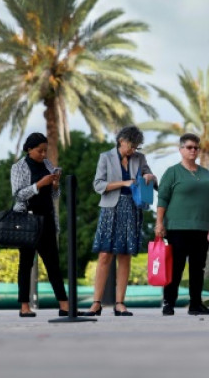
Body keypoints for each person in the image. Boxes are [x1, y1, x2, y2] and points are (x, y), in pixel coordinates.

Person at [86, 125, 156, 317]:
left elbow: (153, 180)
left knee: (125, 256)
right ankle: (96, 303)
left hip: (132, 209)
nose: (133, 150)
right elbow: (98, 185)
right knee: (104, 255)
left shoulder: (139, 158)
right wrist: (123, 183)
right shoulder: (105, 157)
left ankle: (120, 303)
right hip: (111, 209)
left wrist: (150, 176)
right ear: (121, 141)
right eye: (131, 146)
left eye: (136, 147)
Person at [156, 133, 209, 316]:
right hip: (177, 227)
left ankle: (196, 304)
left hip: (202, 227)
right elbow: (162, 198)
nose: (193, 150)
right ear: (181, 149)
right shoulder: (172, 172)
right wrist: (159, 223)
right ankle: (169, 303)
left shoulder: (205, 172)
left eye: (196, 147)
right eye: (189, 147)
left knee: (198, 268)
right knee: (176, 267)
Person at [11, 132, 70, 318]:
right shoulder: (18, 167)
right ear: (29, 149)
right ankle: (24, 306)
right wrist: (39, 184)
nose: (43, 154)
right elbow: (18, 194)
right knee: (26, 264)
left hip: (47, 219)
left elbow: (54, 196)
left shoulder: (47, 165)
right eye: (40, 151)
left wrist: (54, 185)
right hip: (27, 219)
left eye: (45, 151)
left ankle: (65, 305)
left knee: (53, 264)